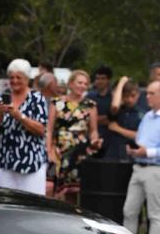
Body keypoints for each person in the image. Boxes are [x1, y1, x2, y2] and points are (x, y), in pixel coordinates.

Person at [0, 58, 48, 194]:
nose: (14, 81)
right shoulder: (3, 97)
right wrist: (0, 114)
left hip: (31, 163)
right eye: (11, 77)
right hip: (6, 162)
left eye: (18, 77)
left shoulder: (37, 98)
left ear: (27, 79)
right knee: (7, 206)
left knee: (33, 206)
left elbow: (40, 130)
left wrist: (19, 116)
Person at [47, 69, 101, 203]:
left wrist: (95, 140)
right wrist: (49, 150)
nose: (82, 86)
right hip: (59, 150)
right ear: (70, 84)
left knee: (75, 191)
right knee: (52, 189)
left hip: (79, 152)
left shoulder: (90, 105)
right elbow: (49, 129)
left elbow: (93, 130)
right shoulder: (57, 103)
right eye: (79, 82)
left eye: (85, 83)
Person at [123, 79, 160, 234]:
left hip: (155, 170)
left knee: (155, 214)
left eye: (151, 93)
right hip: (138, 168)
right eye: (147, 93)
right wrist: (134, 150)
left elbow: (150, 148)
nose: (147, 97)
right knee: (129, 211)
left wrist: (148, 152)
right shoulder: (147, 116)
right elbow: (140, 139)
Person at [104, 76, 142, 160]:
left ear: (138, 95)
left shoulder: (142, 114)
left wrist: (117, 129)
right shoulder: (118, 110)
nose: (129, 99)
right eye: (126, 96)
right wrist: (121, 83)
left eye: (133, 96)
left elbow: (140, 136)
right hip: (112, 155)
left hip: (132, 157)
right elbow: (114, 106)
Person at [87, 65, 113, 145]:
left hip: (110, 137)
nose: (99, 81)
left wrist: (94, 118)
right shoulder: (89, 96)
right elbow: (85, 117)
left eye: (103, 78)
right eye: (97, 78)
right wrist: (104, 118)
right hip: (90, 137)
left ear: (108, 80)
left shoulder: (113, 97)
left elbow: (113, 119)